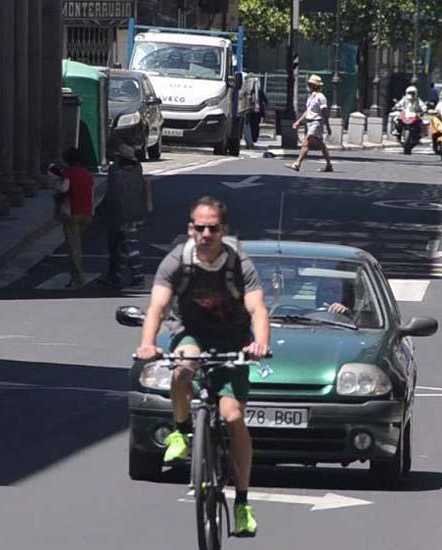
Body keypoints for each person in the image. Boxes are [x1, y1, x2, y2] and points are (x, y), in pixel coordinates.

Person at [135, 196, 270, 537]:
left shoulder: (239, 264)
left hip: (231, 341)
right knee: (183, 366)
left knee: (234, 417)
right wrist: (147, 344)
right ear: (190, 229)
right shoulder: (177, 261)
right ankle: (181, 431)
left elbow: (257, 308)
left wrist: (260, 343)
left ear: (223, 230)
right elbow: (157, 307)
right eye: (199, 227)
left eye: (213, 228)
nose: (206, 234)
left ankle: (242, 503)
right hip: (191, 333)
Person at [98, 143, 149, 289]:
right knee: (125, 245)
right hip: (137, 212)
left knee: (124, 246)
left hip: (120, 214)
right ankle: (116, 276)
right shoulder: (137, 169)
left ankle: (137, 276)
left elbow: (112, 194)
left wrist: (102, 211)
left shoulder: (116, 172)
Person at [47, 148, 94, 288]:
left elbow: (64, 188)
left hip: (73, 212)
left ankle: (78, 279)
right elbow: (91, 192)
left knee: (74, 248)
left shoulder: (69, 173)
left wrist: (55, 182)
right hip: (87, 213)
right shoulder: (87, 173)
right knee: (78, 246)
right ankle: (75, 277)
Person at [287, 74, 333, 173]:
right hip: (310, 123)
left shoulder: (321, 97)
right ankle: (329, 164)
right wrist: (299, 121)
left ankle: (297, 163)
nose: (308, 86)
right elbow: (308, 111)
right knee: (321, 145)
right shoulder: (311, 97)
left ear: (315, 86)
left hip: (317, 122)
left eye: (310, 84)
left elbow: (325, 111)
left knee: (306, 141)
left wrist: (327, 125)